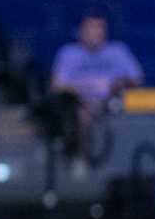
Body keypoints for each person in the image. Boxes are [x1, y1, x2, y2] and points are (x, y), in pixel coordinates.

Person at [48, 11, 144, 148]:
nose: (95, 32)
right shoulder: (68, 53)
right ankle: (81, 157)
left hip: (113, 102)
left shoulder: (118, 50)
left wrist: (117, 83)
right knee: (77, 113)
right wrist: (84, 90)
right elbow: (56, 86)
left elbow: (137, 79)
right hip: (78, 105)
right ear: (81, 31)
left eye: (99, 28)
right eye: (90, 28)